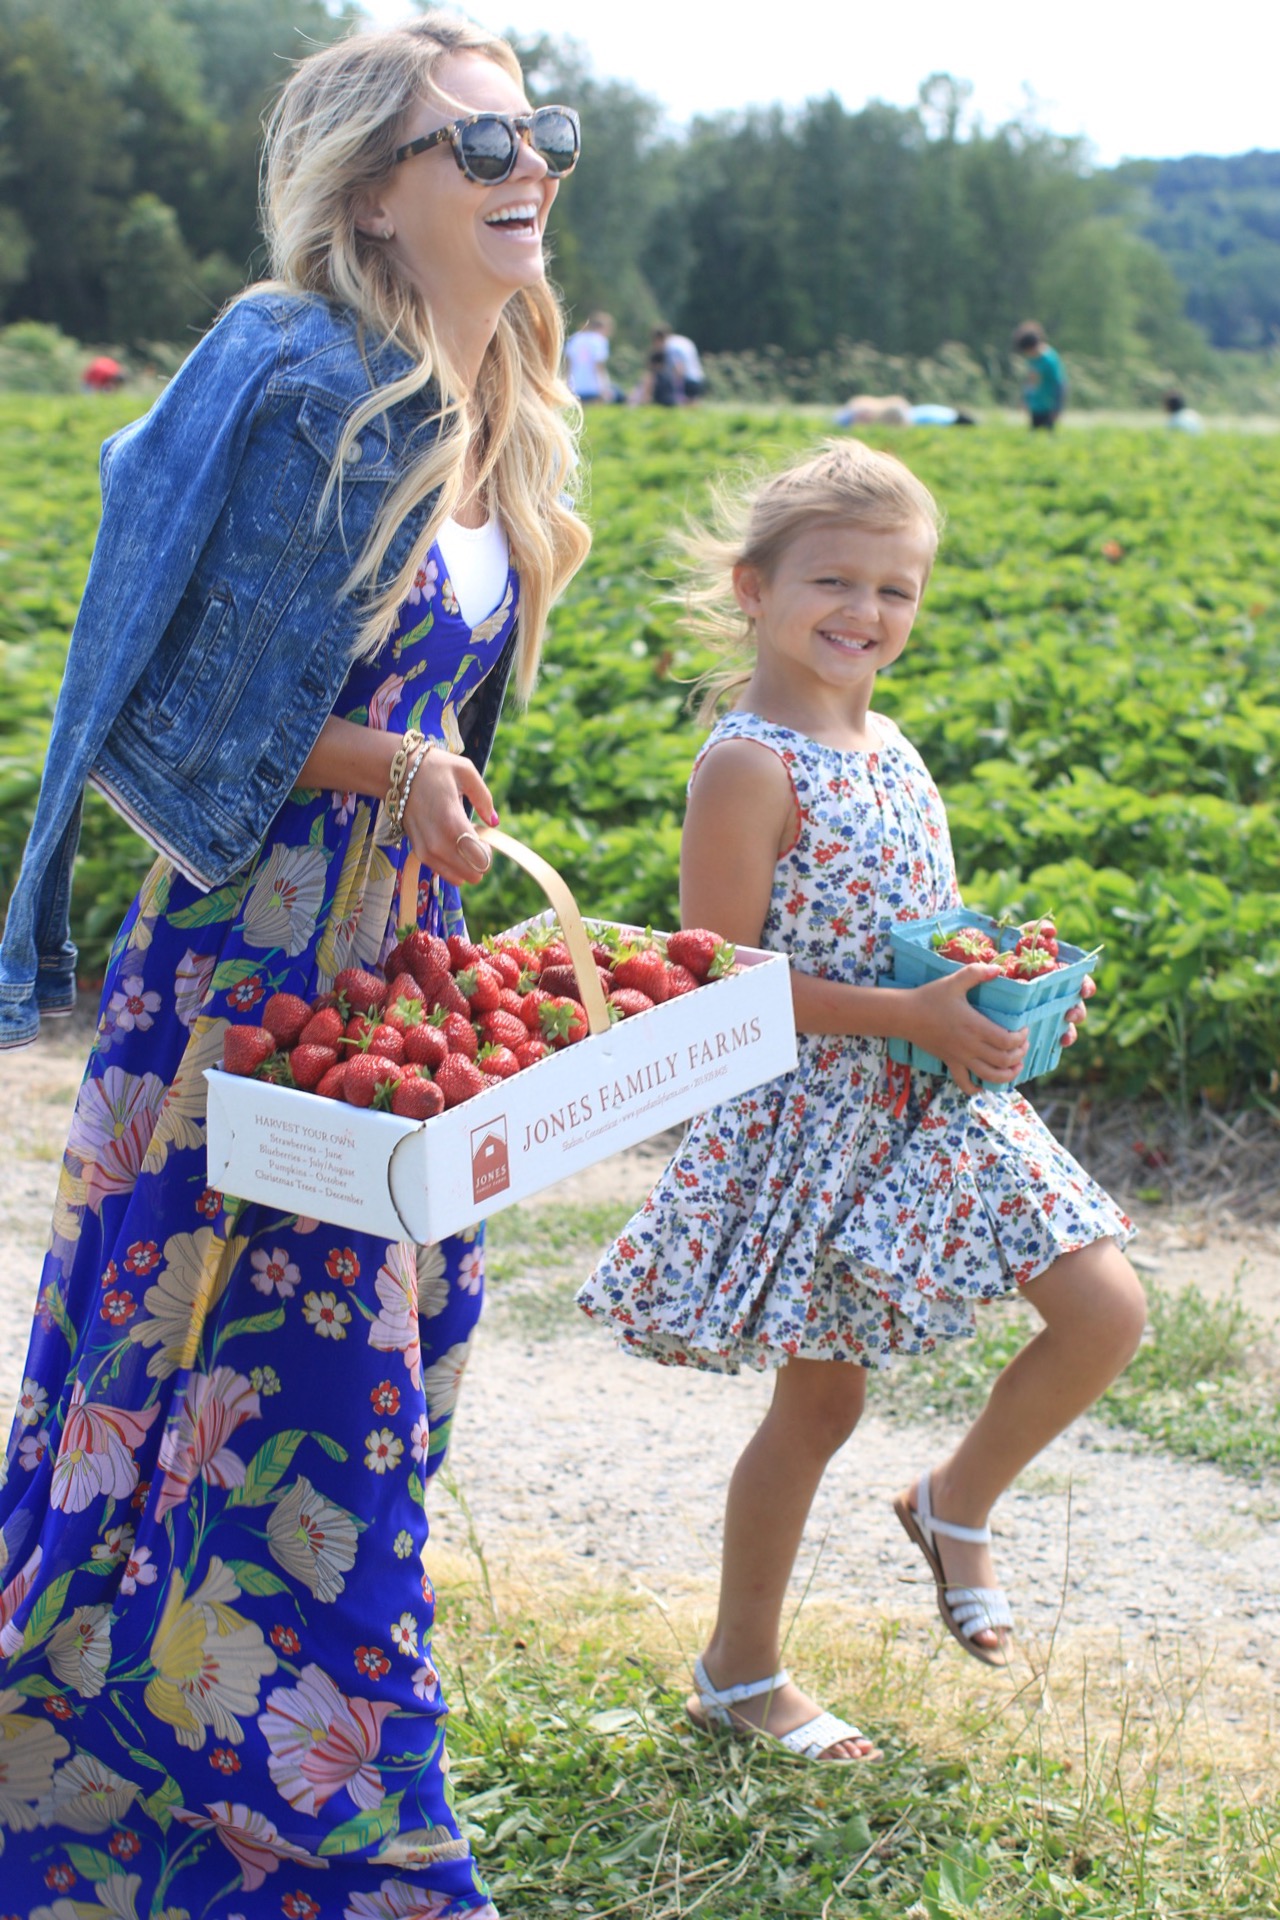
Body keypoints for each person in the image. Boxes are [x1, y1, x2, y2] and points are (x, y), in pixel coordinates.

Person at [0, 14, 587, 1913]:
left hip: (398, 972)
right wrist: (391, 760)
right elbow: (158, 702)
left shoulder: (502, 388)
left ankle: (213, 1767)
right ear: (369, 188)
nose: (526, 172)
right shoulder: (285, 363)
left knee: (381, 1363)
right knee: (249, 1378)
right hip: (245, 974)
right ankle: (343, 1837)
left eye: (536, 135)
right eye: (478, 145)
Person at [577, 440, 1144, 1762]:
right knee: (821, 1406)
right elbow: (711, 978)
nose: (867, 614)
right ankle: (740, 1670)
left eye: (898, 591)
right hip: (820, 1117)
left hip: (938, 1096)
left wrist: (1007, 982)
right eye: (835, 580)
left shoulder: (890, 741)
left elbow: (913, 929)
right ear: (754, 587)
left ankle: (954, 1501)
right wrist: (904, 1016)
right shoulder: (747, 764)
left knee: (1106, 1310)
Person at [1012, 320, 1066, 429]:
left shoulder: (1049, 360)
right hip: (1036, 407)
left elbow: (1060, 384)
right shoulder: (1032, 359)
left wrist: (1057, 409)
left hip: (1049, 407)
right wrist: (1025, 399)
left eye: (1028, 351)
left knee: (1046, 440)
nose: (1027, 354)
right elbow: (1030, 381)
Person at [564, 307, 615, 402]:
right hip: (593, 387)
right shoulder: (599, 340)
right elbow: (599, 367)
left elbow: (568, 365)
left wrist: (567, 385)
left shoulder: (575, 338)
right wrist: (604, 388)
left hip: (575, 386)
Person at [664, 328, 706, 402]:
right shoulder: (681, 340)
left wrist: (677, 388)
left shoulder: (670, 345)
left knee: (687, 405)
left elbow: (678, 367)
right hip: (697, 376)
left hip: (687, 378)